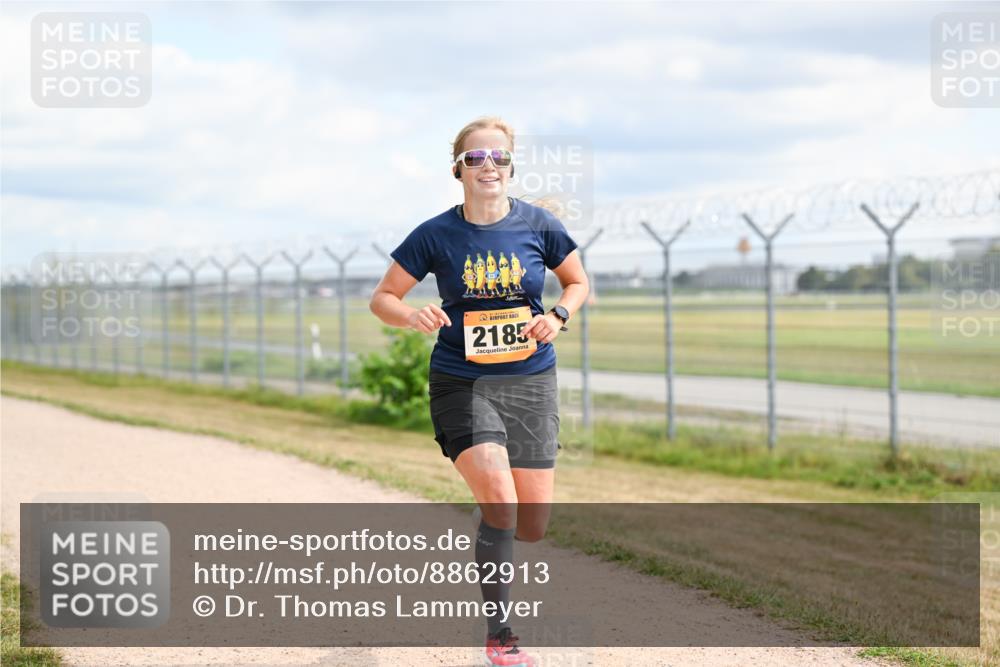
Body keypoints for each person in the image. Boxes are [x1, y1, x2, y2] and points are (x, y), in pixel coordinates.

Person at [369, 116, 589, 666]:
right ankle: (500, 637)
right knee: (501, 500)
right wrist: (411, 314)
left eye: (498, 157)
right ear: (458, 169)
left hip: (530, 381)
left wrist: (558, 316)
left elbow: (577, 282)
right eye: (476, 157)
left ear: (510, 167)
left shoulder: (539, 225)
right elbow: (383, 298)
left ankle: (492, 522)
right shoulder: (435, 234)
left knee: (530, 526)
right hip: (461, 380)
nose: (488, 165)